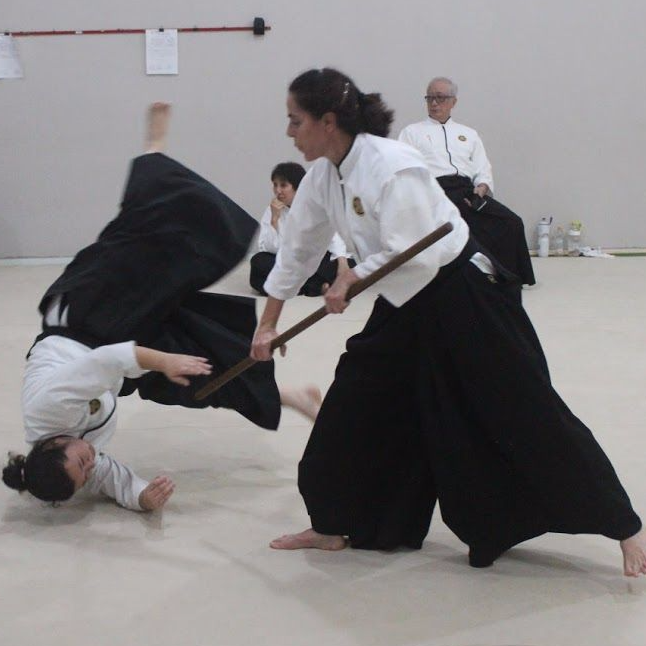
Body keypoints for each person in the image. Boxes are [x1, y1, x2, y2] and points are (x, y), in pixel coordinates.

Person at [250, 68, 646, 577]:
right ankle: (333, 522)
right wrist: (268, 325)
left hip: (461, 293)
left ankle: (623, 525)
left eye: (295, 120)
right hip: (403, 304)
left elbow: (416, 251)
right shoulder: (325, 178)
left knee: (521, 405)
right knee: (352, 402)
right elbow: (296, 252)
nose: (289, 132)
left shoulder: (391, 165)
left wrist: (352, 279)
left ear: (328, 121)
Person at [2, 103, 321, 512]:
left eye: (82, 462)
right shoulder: (70, 460)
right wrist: (140, 497)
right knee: (196, 379)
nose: (91, 461)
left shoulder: (48, 408)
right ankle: (291, 396)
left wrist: (164, 361)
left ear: (52, 443)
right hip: (117, 349)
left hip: (85, 316)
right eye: (85, 471)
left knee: (147, 237)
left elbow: (106, 360)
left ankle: (153, 152)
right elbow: (105, 475)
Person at [398, 77, 535, 287]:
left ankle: (507, 276)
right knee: (456, 222)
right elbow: (404, 168)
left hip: (467, 190)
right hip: (434, 190)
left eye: (440, 98)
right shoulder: (411, 132)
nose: (434, 103)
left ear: (453, 102)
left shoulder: (468, 134)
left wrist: (482, 187)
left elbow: (482, 168)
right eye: (430, 98)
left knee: (511, 222)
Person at [249, 162, 353, 296]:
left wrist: (342, 262)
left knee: (347, 264)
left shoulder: (313, 204)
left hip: (315, 257)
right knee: (258, 262)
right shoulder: (272, 210)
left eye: (283, 185)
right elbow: (267, 247)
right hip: (289, 260)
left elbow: (333, 235)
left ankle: (303, 286)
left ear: (297, 187)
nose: (278, 191)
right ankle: (316, 286)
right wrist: (274, 219)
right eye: (275, 185)